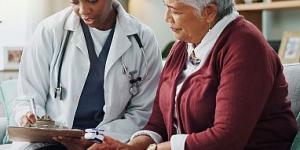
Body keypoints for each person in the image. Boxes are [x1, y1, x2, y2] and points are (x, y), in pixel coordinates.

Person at [85, 0, 298, 150]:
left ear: (209, 12)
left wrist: (159, 149)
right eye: (166, 7)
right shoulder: (182, 46)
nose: (166, 18)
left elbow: (227, 139)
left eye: (175, 11)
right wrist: (132, 146)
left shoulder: (245, 46)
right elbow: (158, 122)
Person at [13, 0, 162, 149]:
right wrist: (30, 117)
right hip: (51, 141)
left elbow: (142, 111)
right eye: (75, 2)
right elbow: (28, 96)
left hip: (108, 141)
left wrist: (97, 138)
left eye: (92, 1)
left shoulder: (143, 39)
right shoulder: (49, 30)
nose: (83, 10)